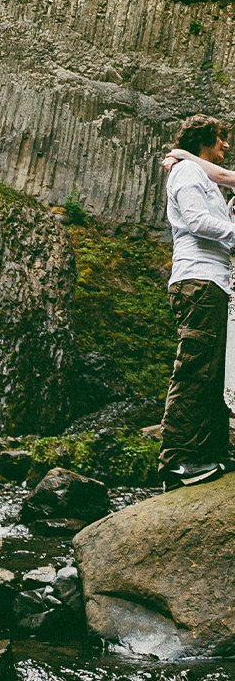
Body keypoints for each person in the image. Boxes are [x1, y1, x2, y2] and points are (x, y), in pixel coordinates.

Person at [158, 114, 235, 490]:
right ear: (203, 140)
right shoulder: (187, 172)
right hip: (198, 282)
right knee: (195, 369)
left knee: (213, 372)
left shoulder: (202, 176)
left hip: (212, 283)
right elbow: (196, 220)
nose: (226, 145)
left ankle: (212, 451)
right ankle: (176, 460)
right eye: (221, 138)